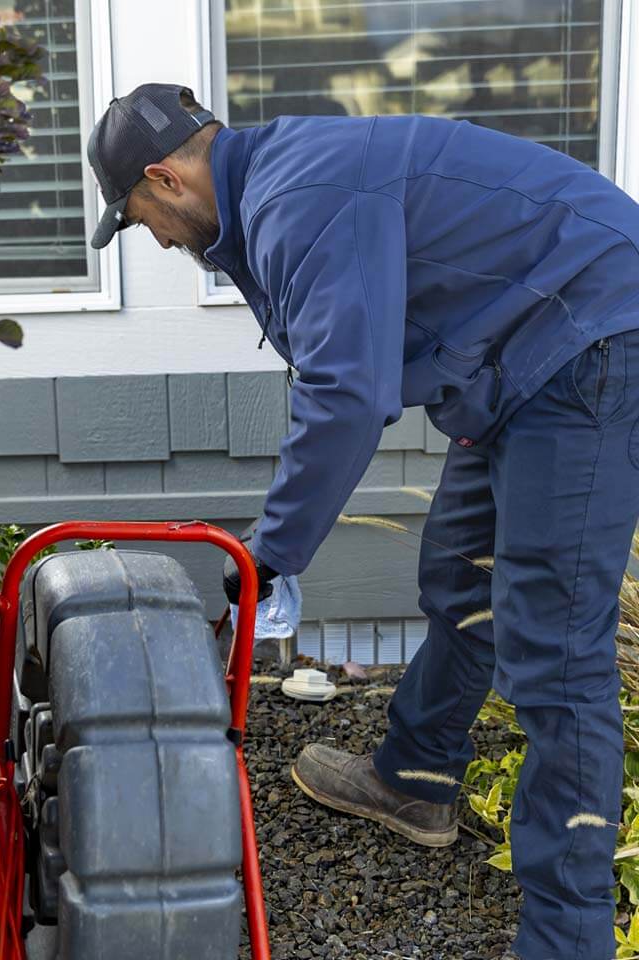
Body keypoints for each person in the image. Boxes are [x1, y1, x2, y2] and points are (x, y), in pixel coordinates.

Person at [86, 82, 639, 960]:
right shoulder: (281, 185)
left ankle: (567, 943)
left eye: (138, 215)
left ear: (166, 178)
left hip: (592, 339)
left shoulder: (296, 197)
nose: (151, 237)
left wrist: (267, 556)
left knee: (557, 653)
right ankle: (415, 779)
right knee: (461, 578)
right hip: (523, 355)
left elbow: (347, 392)